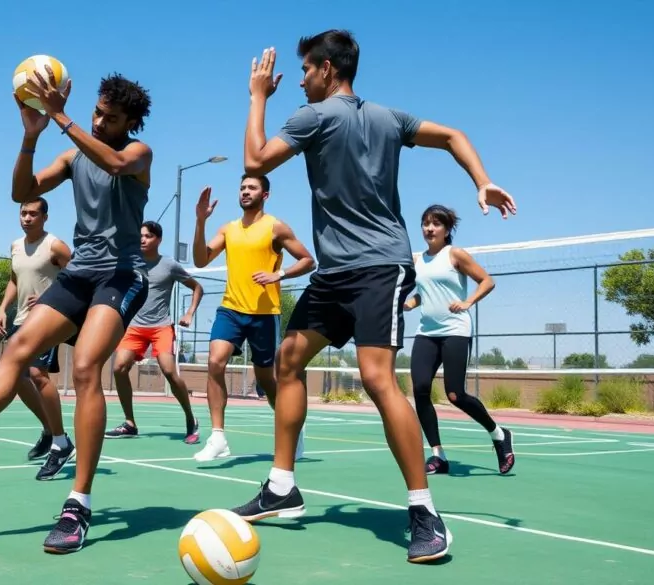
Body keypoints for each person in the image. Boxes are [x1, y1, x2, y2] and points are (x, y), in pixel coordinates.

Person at [230, 30, 516, 564]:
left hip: (378, 268)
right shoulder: (390, 117)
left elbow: (255, 160)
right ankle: (281, 485)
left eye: (306, 69)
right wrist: (483, 180)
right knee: (289, 360)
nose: (300, 78)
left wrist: (258, 96)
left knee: (376, 378)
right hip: (336, 273)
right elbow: (454, 135)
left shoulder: (310, 116)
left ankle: (424, 511)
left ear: (328, 69)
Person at [0, 70, 153, 555]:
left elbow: (118, 164)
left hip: (121, 276)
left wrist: (59, 115)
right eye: (97, 112)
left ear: (131, 122)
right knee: (18, 349)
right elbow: (23, 191)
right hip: (81, 273)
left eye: (111, 117)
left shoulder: (138, 155)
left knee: (83, 368)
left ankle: (78, 503)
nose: (100, 121)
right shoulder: (73, 154)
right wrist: (31, 137)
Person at [191, 174, 315, 462]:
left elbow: (309, 260)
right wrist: (200, 221)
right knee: (214, 361)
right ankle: (218, 436)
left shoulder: (276, 227)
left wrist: (279, 274)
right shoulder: (228, 229)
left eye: (252, 188)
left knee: (267, 381)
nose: (246, 191)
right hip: (231, 308)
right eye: (242, 187)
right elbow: (200, 260)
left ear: (265, 195)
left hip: (264, 313)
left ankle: (293, 428)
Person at [404, 204, 514, 475]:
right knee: (419, 389)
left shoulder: (455, 255)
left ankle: (499, 434)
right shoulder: (418, 260)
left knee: (455, 394)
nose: (429, 228)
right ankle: (438, 455)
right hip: (426, 332)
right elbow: (426, 293)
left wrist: (468, 301)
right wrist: (410, 304)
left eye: (436, 224)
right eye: (426, 223)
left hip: (455, 331)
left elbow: (487, 281)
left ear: (447, 229)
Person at [0, 196, 76, 480]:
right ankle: (49, 429)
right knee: (17, 378)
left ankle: (60, 442)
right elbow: (14, 279)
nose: (27, 217)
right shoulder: (16, 246)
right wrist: (2, 309)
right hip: (20, 320)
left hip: (47, 318)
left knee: (36, 373)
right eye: (23, 213)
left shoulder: (55, 245)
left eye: (33, 214)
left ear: (45, 217)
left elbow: (77, 274)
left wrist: (48, 296)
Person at [105, 220, 203, 444]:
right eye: (140, 235)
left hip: (161, 326)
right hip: (134, 326)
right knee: (120, 367)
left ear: (158, 240)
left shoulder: (169, 265)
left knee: (169, 370)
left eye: (148, 236)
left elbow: (197, 287)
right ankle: (129, 423)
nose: (142, 239)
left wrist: (189, 313)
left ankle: (190, 417)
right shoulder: (129, 263)